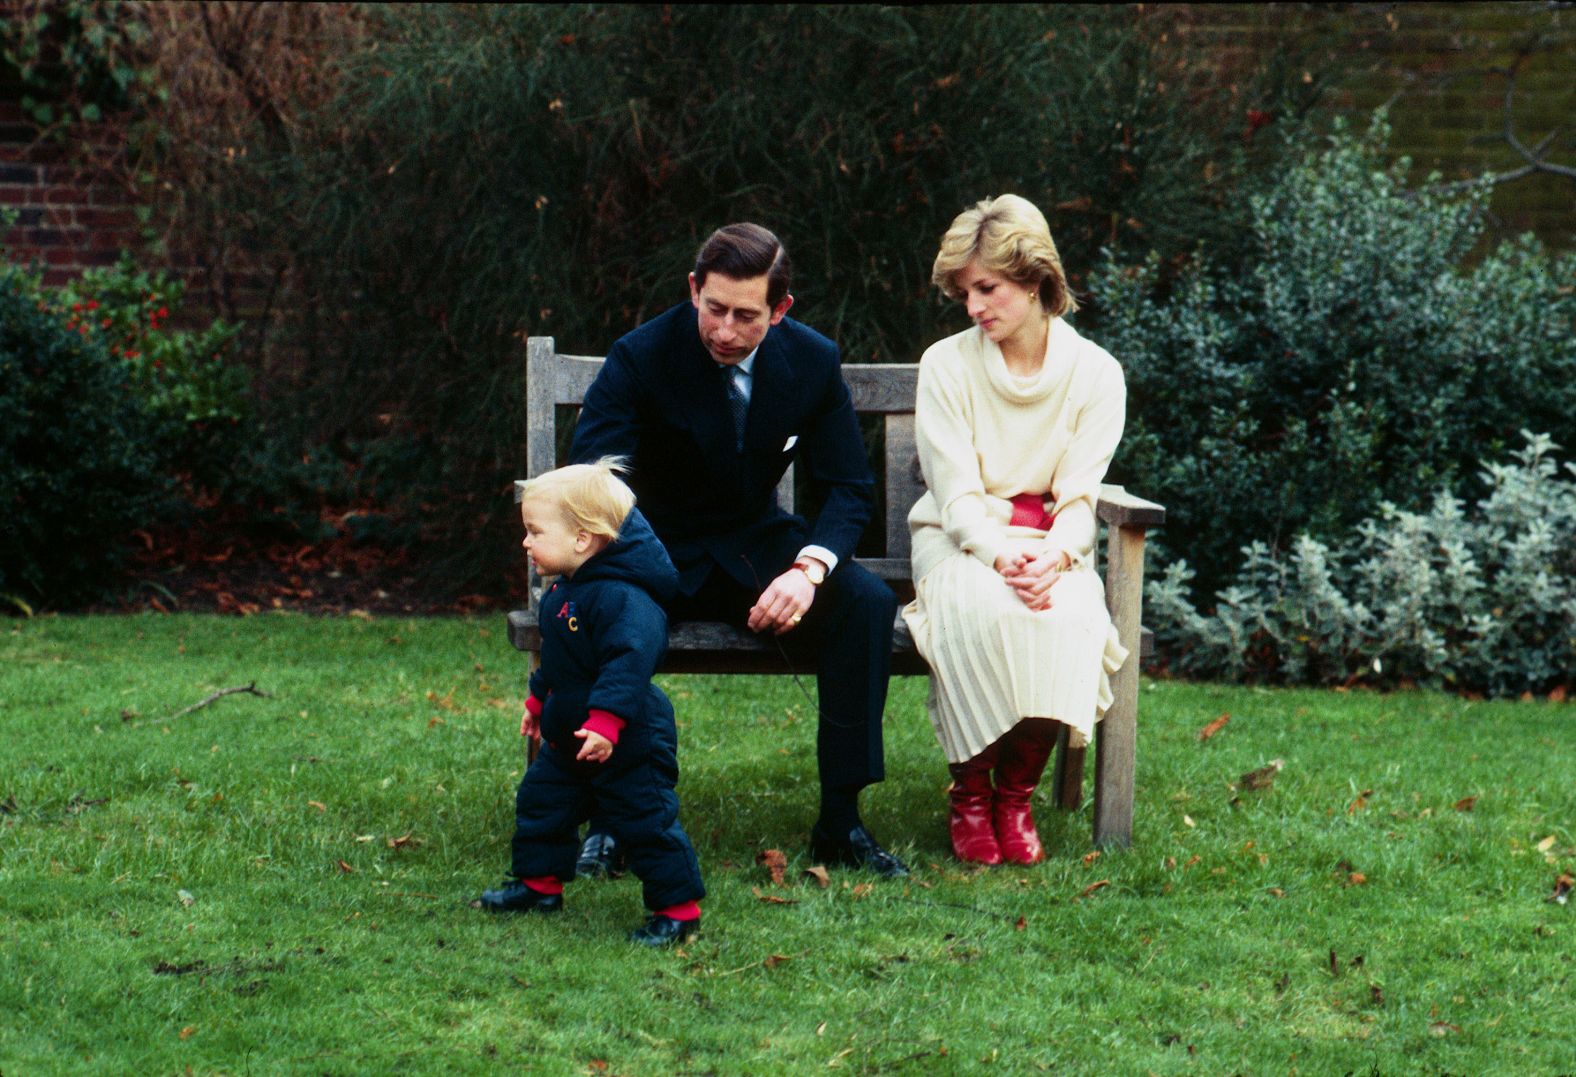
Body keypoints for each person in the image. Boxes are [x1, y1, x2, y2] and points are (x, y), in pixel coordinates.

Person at [568, 223, 907, 878]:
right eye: (713, 307)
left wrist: (808, 571)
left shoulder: (810, 360)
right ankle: (610, 820)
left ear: (780, 311)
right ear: (695, 288)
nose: (724, 329)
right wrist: (629, 567)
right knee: (608, 614)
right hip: (651, 545)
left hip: (755, 545)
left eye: (745, 315)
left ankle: (841, 819)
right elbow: (594, 478)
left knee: (864, 604)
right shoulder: (641, 355)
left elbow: (848, 489)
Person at [903, 195, 1127, 866]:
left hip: (1053, 549)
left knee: (1069, 617)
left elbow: (1081, 499)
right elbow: (957, 494)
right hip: (959, 538)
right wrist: (1002, 558)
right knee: (983, 610)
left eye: (988, 288)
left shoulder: (1097, 374)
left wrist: (1055, 557)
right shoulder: (945, 364)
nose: (974, 306)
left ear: (1034, 280)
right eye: (965, 291)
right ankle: (970, 793)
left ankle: (1015, 795)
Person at [477, 459, 706, 946]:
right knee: (542, 804)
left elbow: (629, 661)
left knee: (645, 817)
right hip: (570, 736)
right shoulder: (565, 592)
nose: (526, 542)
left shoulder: (626, 599)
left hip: (628, 737)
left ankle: (678, 911)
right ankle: (539, 886)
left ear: (582, 539)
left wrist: (606, 722)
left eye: (535, 531)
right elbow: (560, 661)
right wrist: (539, 703)